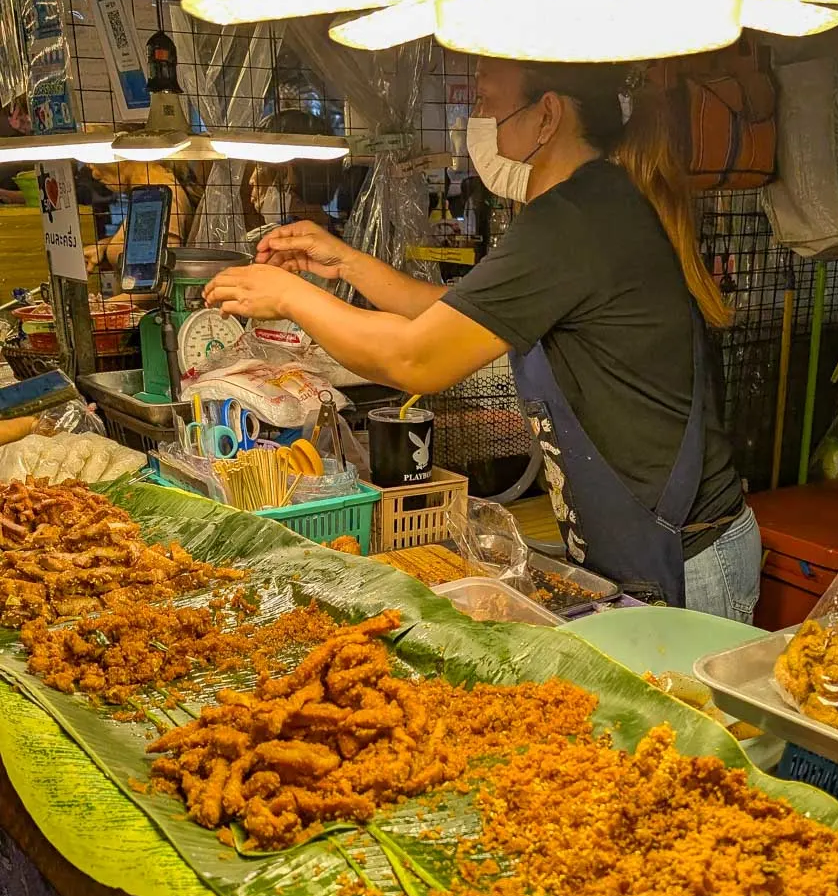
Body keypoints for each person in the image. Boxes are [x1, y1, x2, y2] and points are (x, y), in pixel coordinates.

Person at [204, 58, 761, 620]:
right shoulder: (587, 202)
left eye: (488, 102)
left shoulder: (573, 221)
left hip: (688, 553)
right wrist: (346, 264)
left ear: (548, 114)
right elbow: (452, 315)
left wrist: (290, 297)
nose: (478, 120)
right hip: (650, 541)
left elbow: (415, 357)